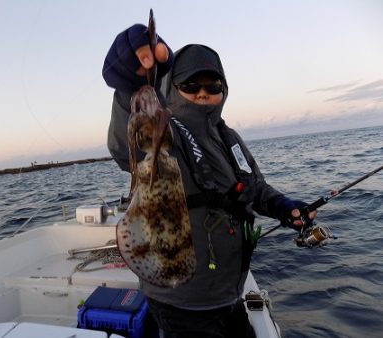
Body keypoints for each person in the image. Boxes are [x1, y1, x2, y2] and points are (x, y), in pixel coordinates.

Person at [102, 24, 317, 338]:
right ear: (173, 86)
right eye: (191, 83)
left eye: (212, 84)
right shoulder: (165, 130)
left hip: (228, 294)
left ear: (223, 90)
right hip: (180, 301)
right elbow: (126, 147)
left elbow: (253, 187)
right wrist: (129, 85)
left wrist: (283, 206)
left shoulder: (228, 138)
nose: (202, 92)